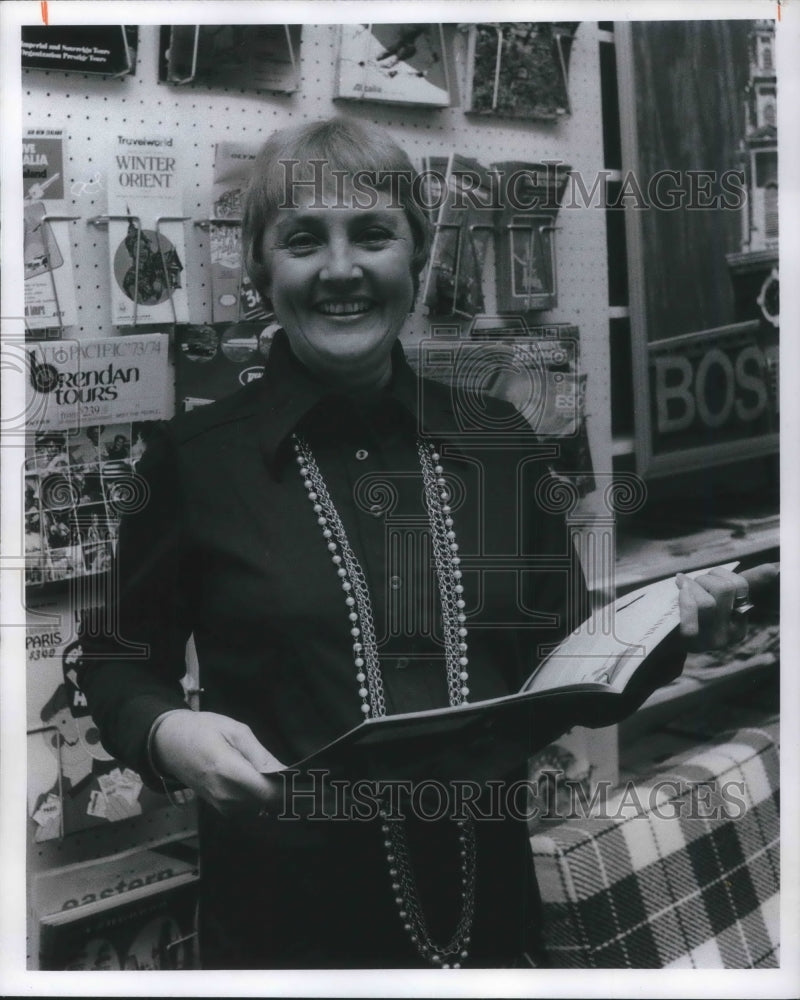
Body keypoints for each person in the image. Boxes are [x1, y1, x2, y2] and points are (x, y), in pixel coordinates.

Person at [78, 117, 778, 970]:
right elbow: (116, 660)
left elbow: (561, 667)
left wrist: (665, 639)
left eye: (372, 233)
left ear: (417, 256)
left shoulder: (503, 439)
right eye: (304, 239)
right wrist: (164, 734)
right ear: (263, 268)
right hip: (283, 932)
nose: (342, 269)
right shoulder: (191, 462)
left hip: (491, 919)